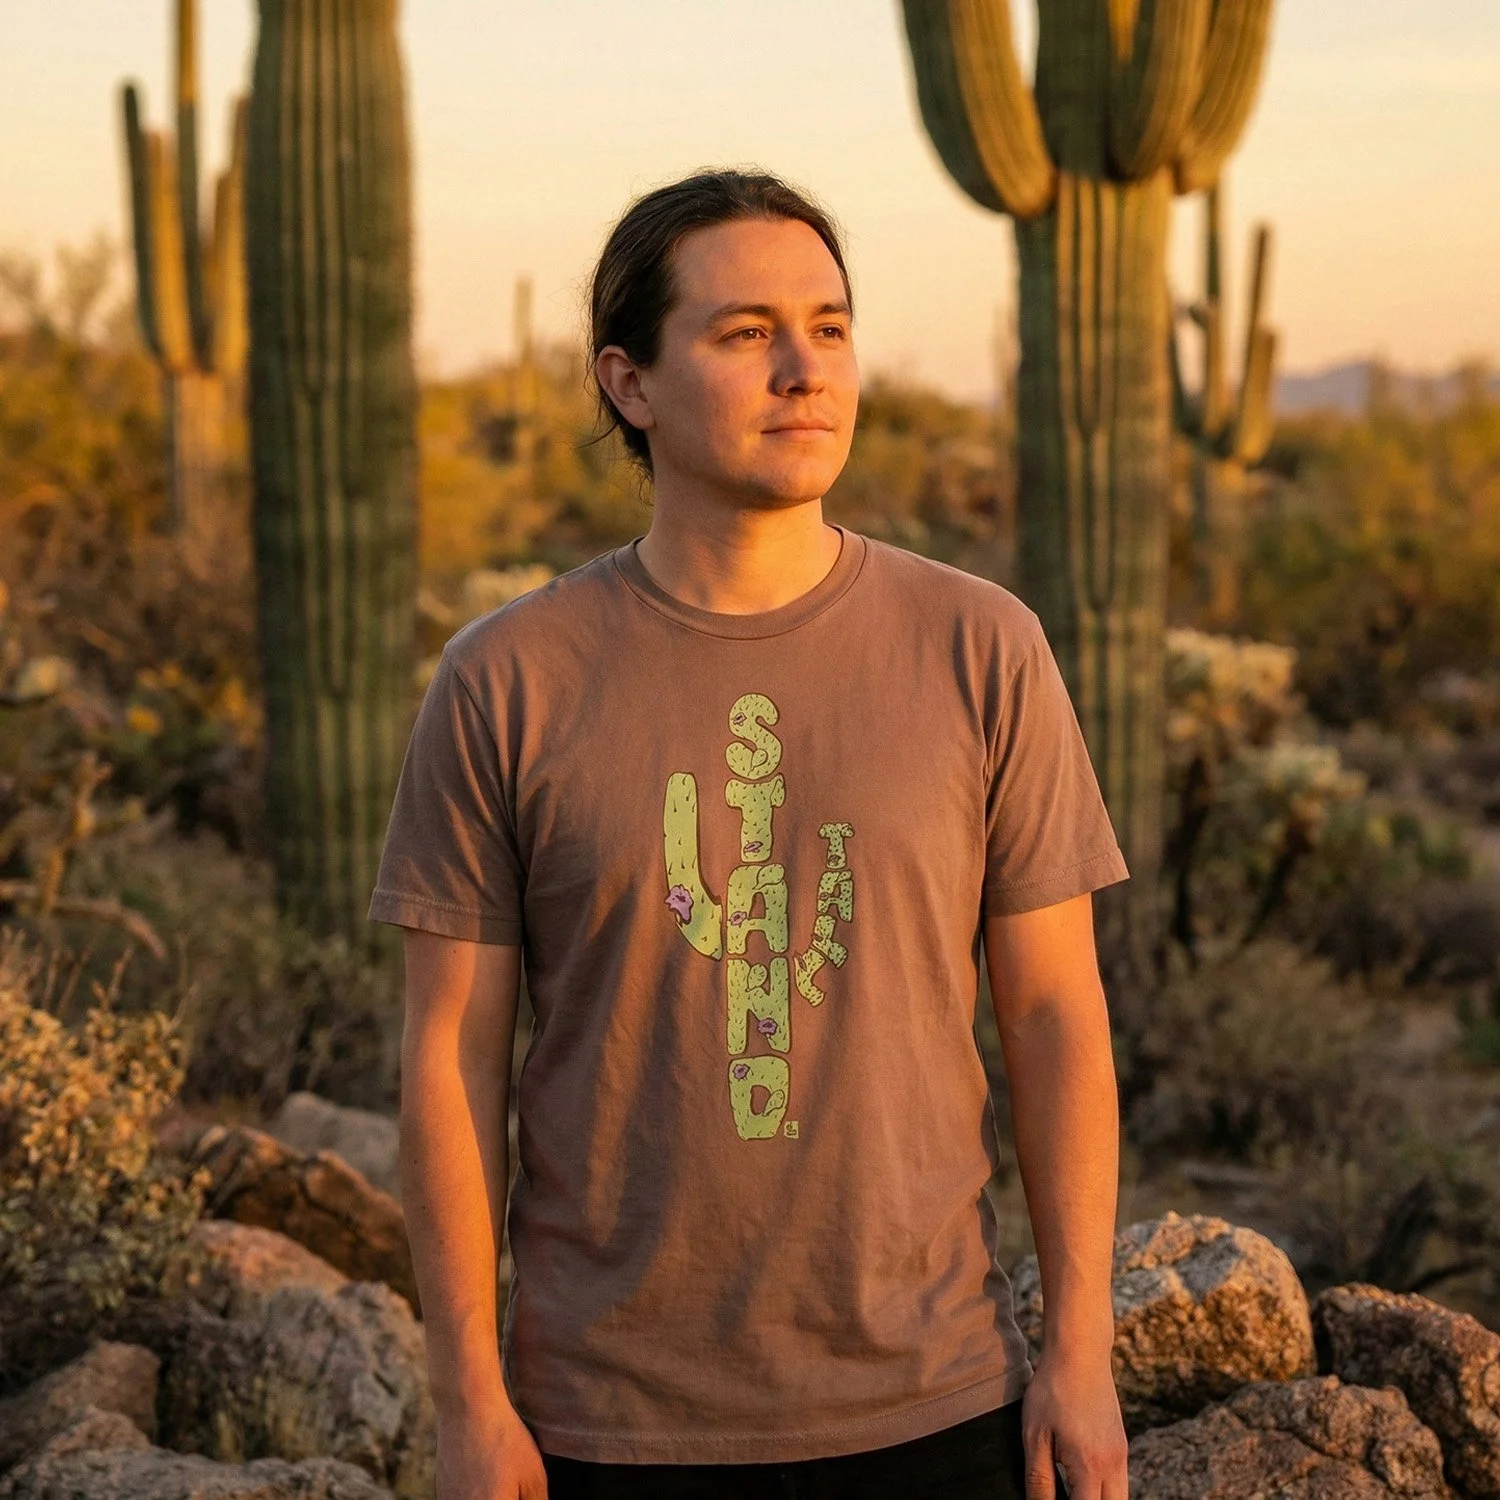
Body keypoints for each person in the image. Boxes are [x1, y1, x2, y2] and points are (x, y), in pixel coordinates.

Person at [369, 169, 1131, 1500]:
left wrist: (1080, 1348)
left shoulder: (980, 647)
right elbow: (451, 1052)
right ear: (630, 383)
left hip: (933, 1401)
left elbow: (1058, 1010)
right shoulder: (508, 679)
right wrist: (467, 1405)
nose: (804, 369)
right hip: (602, 1426)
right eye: (745, 333)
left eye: (829, 328)